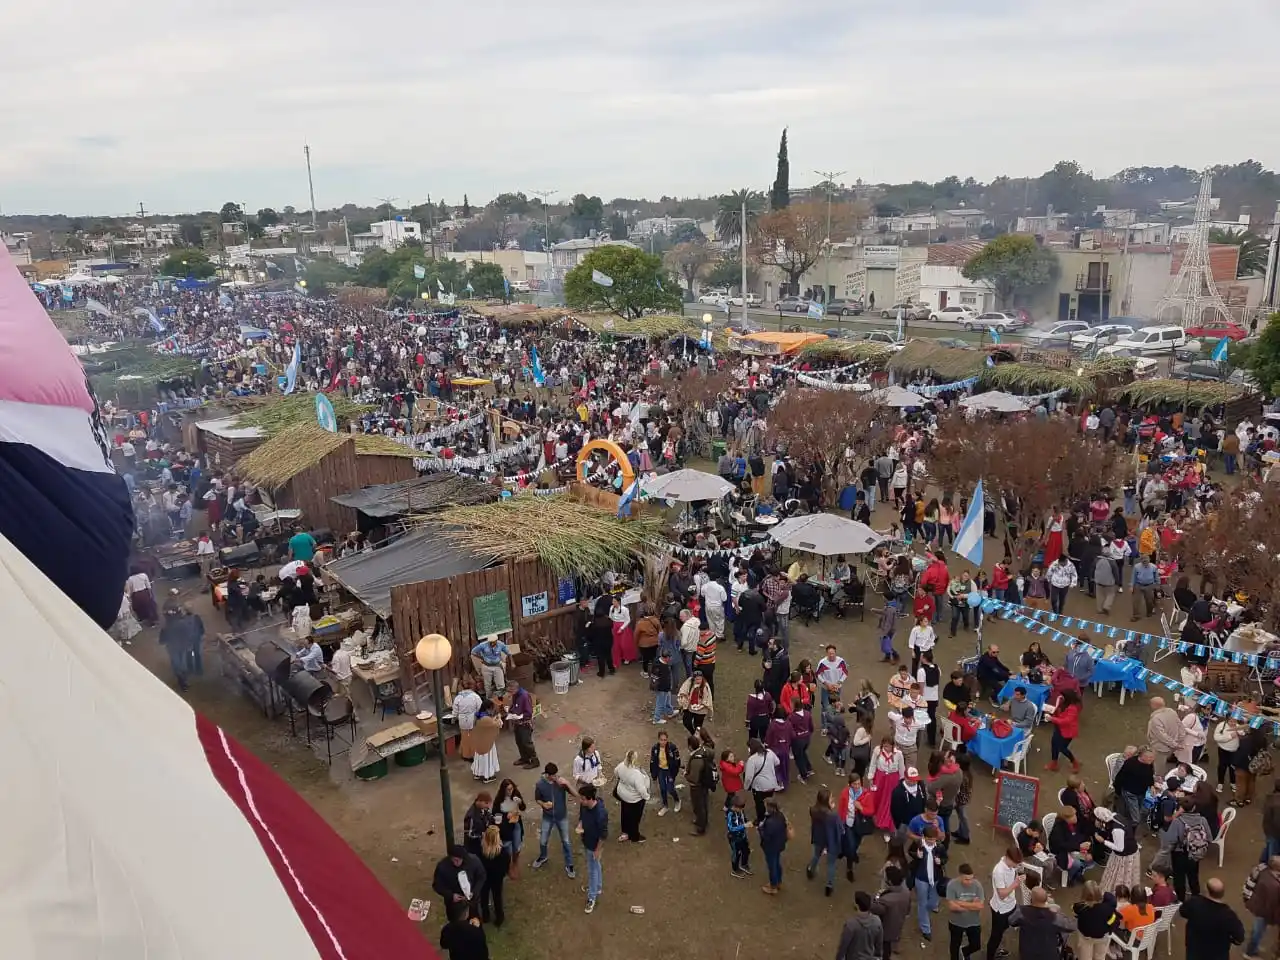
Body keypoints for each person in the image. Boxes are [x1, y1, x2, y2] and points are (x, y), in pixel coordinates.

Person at [1180, 877, 1245, 960]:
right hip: (1218, 955)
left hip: (1194, 952)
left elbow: (1182, 912)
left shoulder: (1194, 903)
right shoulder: (1228, 915)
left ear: (1207, 891)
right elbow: (1239, 938)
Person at [530, 763, 576, 877]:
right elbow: (537, 799)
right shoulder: (540, 784)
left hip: (561, 816)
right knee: (543, 840)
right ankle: (543, 856)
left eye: (556, 775)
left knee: (566, 841)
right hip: (548, 817)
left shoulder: (561, 783)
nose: (556, 777)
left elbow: (575, 794)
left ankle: (569, 865)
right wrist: (543, 804)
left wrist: (567, 783)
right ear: (547, 775)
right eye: (553, 776)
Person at [1010, 886, 1076, 958]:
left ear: (1031, 899)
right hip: (1048, 954)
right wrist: (1058, 911)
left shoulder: (1021, 912)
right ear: (1046, 899)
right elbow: (1071, 926)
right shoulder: (1054, 916)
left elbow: (1011, 921)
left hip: (1028, 953)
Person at [909, 824, 948, 941]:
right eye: (929, 839)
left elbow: (945, 858)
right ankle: (926, 929)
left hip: (935, 879)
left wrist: (940, 861)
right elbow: (910, 851)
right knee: (922, 903)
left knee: (932, 901)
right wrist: (916, 855)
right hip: (921, 879)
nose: (931, 842)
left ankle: (930, 908)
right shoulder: (918, 844)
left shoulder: (940, 847)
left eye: (933, 839)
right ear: (924, 837)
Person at [432, 845, 486, 921]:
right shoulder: (442, 866)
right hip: (454, 905)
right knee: (456, 924)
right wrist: (451, 895)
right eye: (454, 860)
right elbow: (437, 885)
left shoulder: (473, 861)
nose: (457, 862)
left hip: (472, 900)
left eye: (459, 860)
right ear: (450, 858)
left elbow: (481, 876)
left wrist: (474, 892)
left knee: (474, 921)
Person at [986, 846, 1023, 960]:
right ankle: (990, 956)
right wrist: (1015, 884)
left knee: (1003, 929)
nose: (1016, 866)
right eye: (1015, 863)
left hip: (1010, 905)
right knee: (995, 936)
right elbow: (1002, 894)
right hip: (1000, 909)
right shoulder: (999, 871)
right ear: (1008, 857)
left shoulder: (1011, 867)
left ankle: (996, 949)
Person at [576, 783, 607, 914]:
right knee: (596, 865)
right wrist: (579, 825)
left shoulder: (600, 813)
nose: (580, 801)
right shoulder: (584, 807)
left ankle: (592, 897)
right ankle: (598, 887)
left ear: (590, 798)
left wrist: (597, 849)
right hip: (586, 841)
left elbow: (603, 834)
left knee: (592, 870)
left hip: (594, 845)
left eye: (582, 798)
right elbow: (582, 818)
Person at [1095, 806, 1141, 892]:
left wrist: (1103, 841)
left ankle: (1116, 891)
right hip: (1130, 850)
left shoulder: (1116, 830)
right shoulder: (1115, 815)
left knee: (1119, 875)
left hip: (1125, 856)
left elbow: (1120, 848)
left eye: (1097, 819)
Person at [806, 787, 843, 896]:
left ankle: (810, 869)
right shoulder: (833, 816)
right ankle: (829, 886)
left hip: (819, 838)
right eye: (831, 797)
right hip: (831, 842)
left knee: (816, 855)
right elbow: (840, 829)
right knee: (831, 864)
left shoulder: (813, 810)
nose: (833, 798)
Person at [946, 862, 985, 960]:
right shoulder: (952, 885)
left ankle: (964, 952)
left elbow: (980, 905)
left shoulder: (977, 885)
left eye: (971, 878)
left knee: (976, 945)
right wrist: (972, 905)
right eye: (966, 879)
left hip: (973, 922)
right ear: (960, 876)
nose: (969, 882)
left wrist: (959, 902)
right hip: (956, 922)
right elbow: (952, 907)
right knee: (954, 946)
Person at [873, 864, 913, 959]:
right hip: (897, 925)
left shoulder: (886, 899)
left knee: (882, 950)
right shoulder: (906, 892)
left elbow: (875, 909)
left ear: (889, 881)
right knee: (887, 949)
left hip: (884, 929)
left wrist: (875, 898)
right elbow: (908, 910)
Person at [1071, 880, 1118, 960]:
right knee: (1099, 956)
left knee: (1085, 957)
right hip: (1102, 936)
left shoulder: (1079, 907)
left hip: (1086, 937)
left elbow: (1073, 912)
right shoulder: (1108, 907)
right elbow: (1113, 919)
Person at [1048, 807, 1092, 885]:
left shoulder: (1072, 825)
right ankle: (1070, 876)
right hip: (1061, 853)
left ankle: (1077, 872)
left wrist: (1085, 843)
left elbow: (1077, 836)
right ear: (1066, 818)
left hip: (1072, 849)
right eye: (1073, 815)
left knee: (1090, 860)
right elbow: (1061, 845)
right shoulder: (1058, 829)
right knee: (1077, 863)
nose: (1076, 817)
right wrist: (1079, 846)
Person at [870, 737, 905, 835]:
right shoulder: (877, 751)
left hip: (892, 780)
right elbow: (873, 764)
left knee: (889, 802)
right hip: (880, 778)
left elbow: (901, 768)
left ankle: (887, 825)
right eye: (885, 746)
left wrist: (902, 782)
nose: (886, 748)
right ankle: (875, 819)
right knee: (877, 799)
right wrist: (871, 777)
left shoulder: (898, 754)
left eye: (888, 746)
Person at [476, 826, 510, 927]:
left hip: (484, 878)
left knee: (484, 897)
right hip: (497, 878)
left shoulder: (481, 850)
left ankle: (485, 916)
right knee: (497, 897)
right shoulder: (503, 853)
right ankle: (499, 917)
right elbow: (505, 867)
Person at [744, 737, 782, 825]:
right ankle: (772, 817)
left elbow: (749, 777)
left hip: (759, 787)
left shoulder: (752, 759)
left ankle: (761, 820)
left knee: (760, 804)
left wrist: (746, 787)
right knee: (770, 802)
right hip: (772, 784)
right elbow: (778, 762)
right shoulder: (770, 753)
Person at [836, 890, 884, 960]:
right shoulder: (877, 921)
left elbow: (843, 946)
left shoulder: (851, 924)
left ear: (857, 905)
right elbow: (879, 944)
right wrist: (878, 956)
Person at [493, 779, 526, 880]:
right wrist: (505, 816)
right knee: (507, 849)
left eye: (511, 789)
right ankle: (508, 867)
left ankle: (515, 863)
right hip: (505, 828)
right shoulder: (499, 800)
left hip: (515, 824)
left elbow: (523, 807)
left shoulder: (515, 794)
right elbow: (495, 815)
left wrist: (520, 803)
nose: (510, 791)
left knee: (517, 847)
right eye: (508, 790)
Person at [758, 798, 790, 896]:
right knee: (777, 863)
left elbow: (766, 836)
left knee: (772, 866)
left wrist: (760, 829)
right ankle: (778, 881)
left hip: (770, 846)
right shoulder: (780, 816)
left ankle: (773, 886)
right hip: (779, 844)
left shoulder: (770, 822)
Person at [686, 733, 716, 836]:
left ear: (690, 746)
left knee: (699, 806)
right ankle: (702, 821)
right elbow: (712, 753)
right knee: (704, 803)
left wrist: (686, 775)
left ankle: (700, 828)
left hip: (697, 786)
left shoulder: (696, 760)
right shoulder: (704, 751)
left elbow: (693, 778)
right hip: (705, 783)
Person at [503, 680, 539, 769]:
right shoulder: (515, 695)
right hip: (517, 723)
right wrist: (510, 711)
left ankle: (535, 761)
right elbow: (514, 705)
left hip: (525, 723)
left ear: (515, 689)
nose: (509, 694)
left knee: (527, 742)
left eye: (510, 691)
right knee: (519, 741)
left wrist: (519, 716)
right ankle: (524, 758)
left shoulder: (524, 696)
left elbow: (529, 712)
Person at [1046, 688, 1082, 773]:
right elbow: (1057, 712)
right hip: (1058, 728)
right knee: (1054, 743)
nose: (1060, 696)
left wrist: (1052, 719)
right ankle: (1054, 762)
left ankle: (1074, 762)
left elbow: (1066, 721)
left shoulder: (1073, 708)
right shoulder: (1062, 702)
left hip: (1067, 731)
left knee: (1062, 748)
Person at [650, 730, 682, 816]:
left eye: (665, 740)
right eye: (661, 739)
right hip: (661, 770)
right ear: (658, 739)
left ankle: (677, 800)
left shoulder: (672, 747)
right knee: (663, 789)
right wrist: (654, 775)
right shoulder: (655, 748)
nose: (663, 742)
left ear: (667, 739)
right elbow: (652, 762)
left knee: (670, 788)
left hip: (669, 771)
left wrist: (674, 773)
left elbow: (677, 760)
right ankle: (665, 806)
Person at [469, 702, 502, 784]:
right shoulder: (485, 719)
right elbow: (498, 724)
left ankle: (477, 773)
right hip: (487, 742)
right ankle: (487, 776)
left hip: (478, 741)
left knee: (479, 759)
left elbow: (490, 723)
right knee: (487, 759)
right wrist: (499, 717)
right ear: (488, 708)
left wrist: (494, 718)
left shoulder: (478, 715)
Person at [1147, 697, 1185, 765]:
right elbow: (1180, 725)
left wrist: (1175, 745)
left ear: (1154, 705)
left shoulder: (1156, 718)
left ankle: (1159, 775)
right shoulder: (1172, 711)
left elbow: (1162, 735)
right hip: (1170, 745)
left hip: (1160, 747)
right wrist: (1180, 740)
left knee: (1158, 766)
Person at [677, 671, 714, 736]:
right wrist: (686, 697)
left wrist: (702, 705)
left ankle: (697, 739)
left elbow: (708, 699)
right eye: (696, 679)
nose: (698, 680)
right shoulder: (689, 682)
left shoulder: (705, 686)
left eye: (700, 679)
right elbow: (683, 691)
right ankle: (693, 733)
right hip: (690, 706)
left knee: (698, 726)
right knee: (686, 722)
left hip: (701, 709)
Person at [651, 649, 676, 724]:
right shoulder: (662, 667)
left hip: (663, 687)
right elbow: (663, 680)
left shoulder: (658, 661)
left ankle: (669, 712)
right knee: (660, 703)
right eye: (669, 657)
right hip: (662, 688)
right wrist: (668, 688)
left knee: (668, 699)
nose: (670, 659)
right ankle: (656, 719)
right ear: (666, 658)